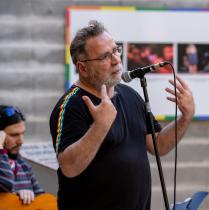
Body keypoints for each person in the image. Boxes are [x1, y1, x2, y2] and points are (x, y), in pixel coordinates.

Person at [49, 20, 195, 210]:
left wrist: (185, 118)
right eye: (104, 56)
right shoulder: (70, 105)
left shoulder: (129, 95)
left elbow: (158, 145)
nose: (117, 59)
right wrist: (100, 126)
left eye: (116, 50)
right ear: (83, 68)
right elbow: (69, 167)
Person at [0, 105, 44, 204]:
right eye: (14, 135)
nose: (21, 141)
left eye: (22, 134)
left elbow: (44, 200)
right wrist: (17, 198)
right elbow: (5, 183)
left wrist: (31, 197)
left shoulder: (23, 165)